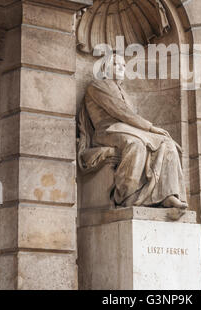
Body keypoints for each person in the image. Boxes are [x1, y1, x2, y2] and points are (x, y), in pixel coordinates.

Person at [78, 53, 188, 210]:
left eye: (124, 65)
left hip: (128, 130)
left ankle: (168, 194)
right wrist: (151, 128)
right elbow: (121, 112)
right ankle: (126, 195)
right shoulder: (97, 86)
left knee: (167, 143)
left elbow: (131, 117)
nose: (122, 68)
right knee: (135, 143)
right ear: (106, 67)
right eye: (117, 64)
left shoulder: (126, 94)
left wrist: (153, 132)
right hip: (107, 132)